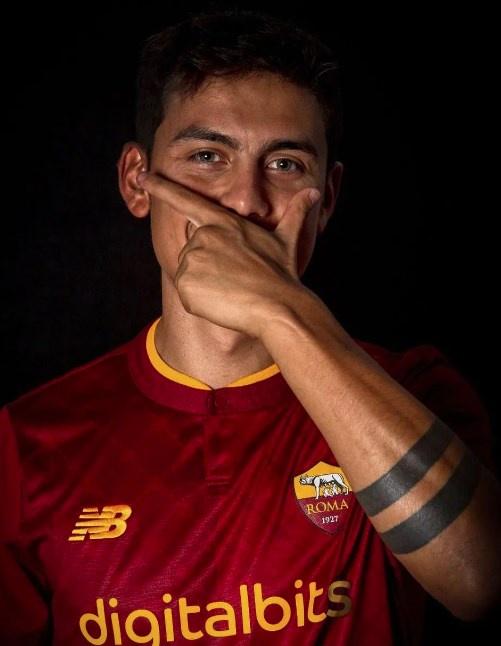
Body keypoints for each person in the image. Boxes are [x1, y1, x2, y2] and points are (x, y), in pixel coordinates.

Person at [1, 7, 500, 645]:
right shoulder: (30, 440)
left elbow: (480, 581)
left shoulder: (414, 390)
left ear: (329, 198)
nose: (245, 202)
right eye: (208, 156)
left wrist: (278, 309)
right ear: (137, 182)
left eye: (285, 164)